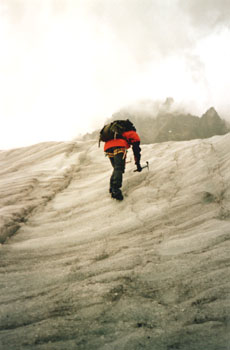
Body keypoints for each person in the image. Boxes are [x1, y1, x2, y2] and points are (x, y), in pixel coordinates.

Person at [104, 125, 142, 201]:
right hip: (119, 146)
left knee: (116, 168)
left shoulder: (118, 132)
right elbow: (136, 151)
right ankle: (115, 189)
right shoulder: (133, 134)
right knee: (119, 167)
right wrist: (137, 164)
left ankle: (112, 188)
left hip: (107, 148)